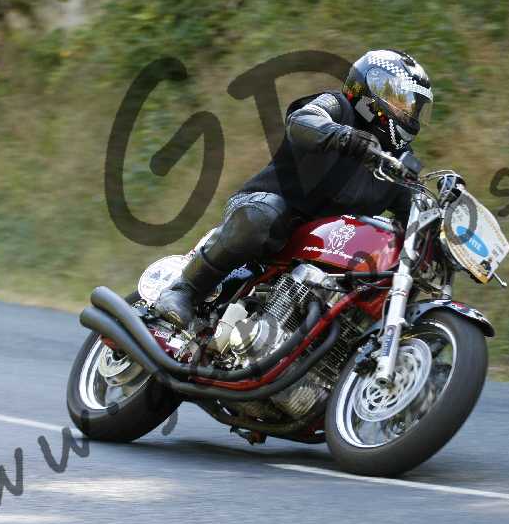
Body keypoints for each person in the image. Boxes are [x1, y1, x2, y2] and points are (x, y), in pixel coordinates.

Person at [155, 49, 433, 328]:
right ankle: (184, 290)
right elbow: (303, 120)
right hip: (264, 210)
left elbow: (416, 213)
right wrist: (344, 137)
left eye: (414, 108)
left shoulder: (397, 166)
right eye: (401, 102)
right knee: (262, 217)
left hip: (323, 251)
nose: (408, 113)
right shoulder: (338, 107)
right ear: (371, 89)